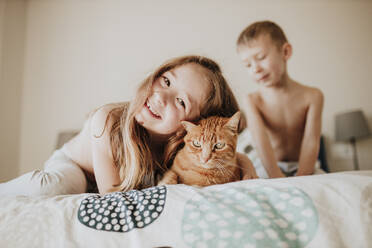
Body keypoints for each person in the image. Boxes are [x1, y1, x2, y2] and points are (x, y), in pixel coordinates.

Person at [0, 55, 257, 196]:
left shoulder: (183, 144)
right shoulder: (107, 119)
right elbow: (111, 194)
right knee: (57, 186)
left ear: (189, 128)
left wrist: (242, 161)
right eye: (166, 81)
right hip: (77, 167)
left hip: (119, 180)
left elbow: (215, 150)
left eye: (180, 101)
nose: (160, 96)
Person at [236, 21, 324, 178]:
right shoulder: (253, 100)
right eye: (247, 65)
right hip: (269, 167)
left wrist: (302, 176)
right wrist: (276, 176)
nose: (255, 68)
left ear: (285, 52)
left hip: (305, 165)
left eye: (261, 57)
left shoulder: (313, 96)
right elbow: (261, 143)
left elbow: (311, 142)